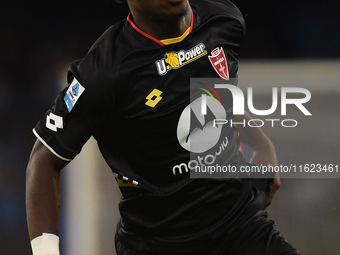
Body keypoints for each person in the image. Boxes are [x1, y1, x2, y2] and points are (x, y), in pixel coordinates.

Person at [26, 0, 300, 254]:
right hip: (156, 244)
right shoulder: (105, 71)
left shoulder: (222, 18)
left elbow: (215, 92)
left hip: (240, 226)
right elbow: (43, 160)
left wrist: (261, 142)